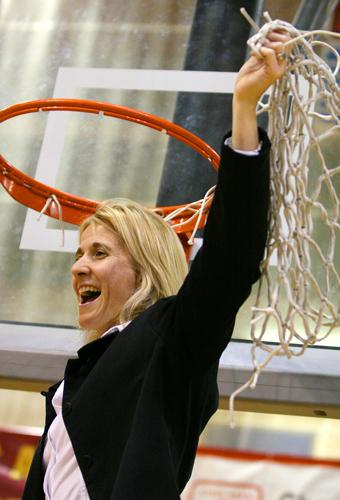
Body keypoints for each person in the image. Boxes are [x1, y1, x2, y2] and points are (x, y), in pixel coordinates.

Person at [23, 30, 290, 500]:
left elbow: (231, 259)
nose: (79, 267)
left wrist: (245, 108)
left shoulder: (168, 341)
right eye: (79, 254)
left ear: (145, 270)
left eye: (100, 253)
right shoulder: (75, 380)